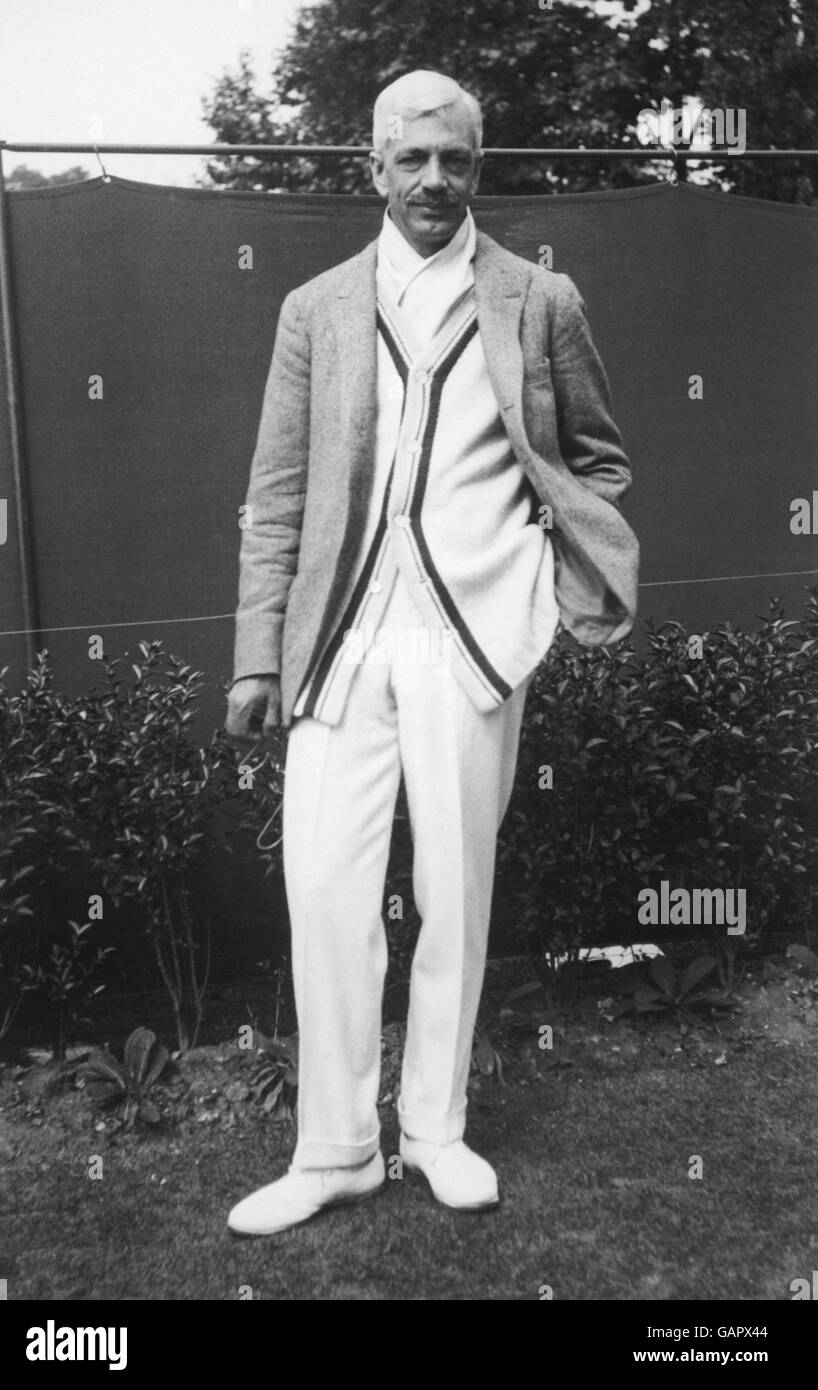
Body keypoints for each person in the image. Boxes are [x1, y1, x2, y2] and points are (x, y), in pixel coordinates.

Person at [225, 70, 639, 1236]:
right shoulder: (312, 307)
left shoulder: (537, 300)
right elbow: (274, 495)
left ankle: (436, 1131)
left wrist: (542, 599)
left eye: (454, 160)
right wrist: (257, 654)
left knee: (452, 891)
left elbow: (594, 463)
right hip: (340, 640)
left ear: (478, 166)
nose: (433, 181)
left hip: (468, 638)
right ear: (372, 167)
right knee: (324, 890)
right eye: (410, 159)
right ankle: (337, 1149)